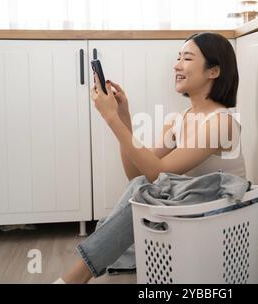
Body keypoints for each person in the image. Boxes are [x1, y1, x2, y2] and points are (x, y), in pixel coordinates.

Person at [55, 32, 246, 284]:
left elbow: (156, 171)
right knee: (138, 189)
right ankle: (88, 268)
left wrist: (110, 118)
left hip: (217, 217)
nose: (177, 65)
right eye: (178, 58)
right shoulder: (179, 120)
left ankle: (75, 277)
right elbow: (137, 173)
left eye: (187, 58)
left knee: (137, 201)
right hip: (189, 211)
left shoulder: (221, 123)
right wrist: (123, 116)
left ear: (214, 71)